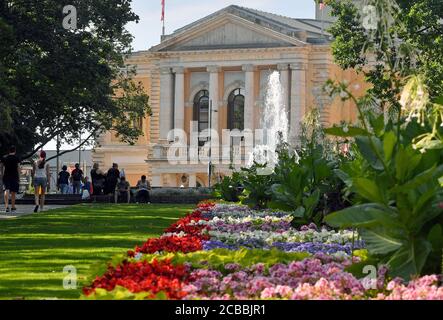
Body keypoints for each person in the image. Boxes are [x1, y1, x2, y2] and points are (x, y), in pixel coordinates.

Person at [1, 146, 21, 213]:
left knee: (6, 190)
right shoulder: (17, 158)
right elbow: (18, 168)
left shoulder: (5, 158)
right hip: (14, 176)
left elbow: (1, 167)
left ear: (9, 151)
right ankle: (13, 206)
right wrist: (19, 177)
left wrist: (2, 174)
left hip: (6, 176)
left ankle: (6, 206)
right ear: (14, 151)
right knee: (13, 192)